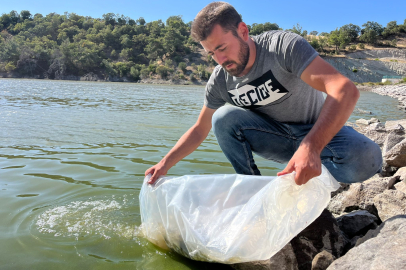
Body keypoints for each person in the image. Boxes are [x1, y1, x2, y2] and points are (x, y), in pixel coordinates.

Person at [145, 2, 382, 185]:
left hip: (316, 134)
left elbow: (344, 90)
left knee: (367, 158)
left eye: (222, 48)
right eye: (211, 54)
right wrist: (164, 164)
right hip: (274, 138)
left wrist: (310, 148)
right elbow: (200, 128)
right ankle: (253, 188)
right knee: (222, 117)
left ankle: (315, 179)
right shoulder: (220, 80)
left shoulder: (283, 47)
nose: (220, 60)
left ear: (243, 31)